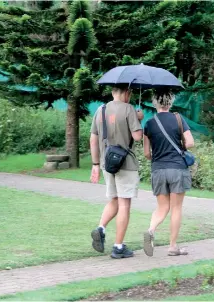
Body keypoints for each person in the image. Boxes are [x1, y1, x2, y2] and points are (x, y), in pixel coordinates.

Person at [89, 85, 144, 259]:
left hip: (107, 162)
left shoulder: (101, 109)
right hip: (125, 163)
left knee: (114, 199)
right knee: (124, 204)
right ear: (127, 93)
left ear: (113, 92)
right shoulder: (128, 109)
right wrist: (138, 119)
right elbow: (137, 137)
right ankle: (118, 246)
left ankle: (101, 228)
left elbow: (93, 137)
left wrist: (95, 163)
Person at [142, 90, 195, 257]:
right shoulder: (178, 119)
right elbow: (191, 143)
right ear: (170, 103)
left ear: (155, 103)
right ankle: (172, 247)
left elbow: (146, 153)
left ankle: (151, 230)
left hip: (158, 169)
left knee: (162, 207)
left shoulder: (149, 123)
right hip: (178, 168)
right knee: (176, 208)